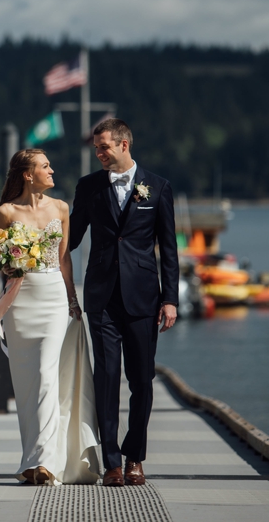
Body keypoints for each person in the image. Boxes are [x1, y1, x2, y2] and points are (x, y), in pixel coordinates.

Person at [69, 118, 179, 487]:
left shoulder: (158, 188)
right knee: (106, 379)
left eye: (104, 147)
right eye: (96, 149)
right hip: (101, 298)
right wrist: (28, 258)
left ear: (124, 145)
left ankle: (136, 458)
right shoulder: (88, 187)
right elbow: (70, 238)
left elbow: (169, 252)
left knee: (142, 381)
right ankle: (112, 461)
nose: (99, 154)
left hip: (144, 298)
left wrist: (170, 300)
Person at [0, 149, 100, 485]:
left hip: (53, 298)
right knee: (26, 385)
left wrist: (72, 299)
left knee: (46, 375)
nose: (52, 170)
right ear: (28, 174)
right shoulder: (6, 212)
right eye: (45, 166)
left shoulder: (61, 208)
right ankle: (31, 461)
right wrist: (8, 261)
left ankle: (45, 463)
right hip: (20, 303)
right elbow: (2, 266)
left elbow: (64, 257)